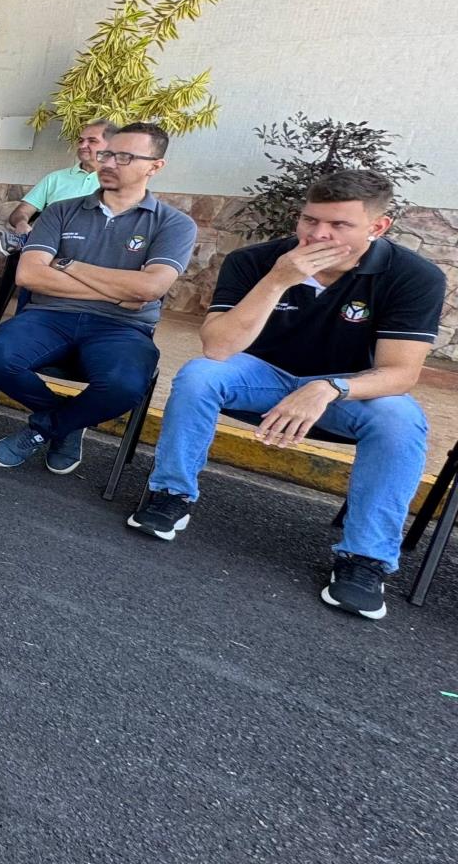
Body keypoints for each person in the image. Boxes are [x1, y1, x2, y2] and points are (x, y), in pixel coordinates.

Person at [134, 170, 443, 620]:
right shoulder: (257, 261)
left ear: (378, 227)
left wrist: (329, 387)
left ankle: (365, 559)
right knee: (200, 376)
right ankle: (171, 495)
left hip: (342, 390)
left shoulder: (413, 276)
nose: (318, 234)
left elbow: (400, 373)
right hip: (261, 375)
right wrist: (277, 281)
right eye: (309, 220)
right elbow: (218, 347)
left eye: (339, 225)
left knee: (401, 421)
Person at [0, 122, 197, 475]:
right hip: (49, 316)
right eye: (107, 154)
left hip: (122, 326)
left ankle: (45, 428)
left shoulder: (173, 224)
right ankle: (69, 422)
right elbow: (29, 275)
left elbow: (149, 289)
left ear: (155, 166)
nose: (107, 162)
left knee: (124, 386)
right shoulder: (61, 210)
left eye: (124, 157)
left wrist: (67, 264)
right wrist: (119, 291)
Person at [0, 120, 110, 254]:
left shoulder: (117, 182)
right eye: (80, 141)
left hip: (91, 254)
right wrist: (21, 224)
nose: (82, 145)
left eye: (92, 141)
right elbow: (21, 212)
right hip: (46, 250)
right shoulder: (55, 178)